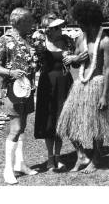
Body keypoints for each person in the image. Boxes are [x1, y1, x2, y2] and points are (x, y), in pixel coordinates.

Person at [56, 1, 109, 174]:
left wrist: (104, 95)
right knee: (67, 124)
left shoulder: (105, 41)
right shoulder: (80, 38)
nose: (79, 25)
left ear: (90, 21)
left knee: (97, 125)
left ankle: (95, 159)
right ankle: (81, 155)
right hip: (80, 85)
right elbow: (75, 64)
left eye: (81, 22)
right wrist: (75, 60)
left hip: (97, 84)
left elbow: (108, 69)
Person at [0, 8, 38, 184]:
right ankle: (8, 169)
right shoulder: (4, 40)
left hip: (27, 90)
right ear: (20, 22)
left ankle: (20, 164)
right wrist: (10, 72)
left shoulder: (26, 40)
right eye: (29, 21)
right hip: (12, 91)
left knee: (22, 128)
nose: (32, 24)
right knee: (15, 129)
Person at [33, 13, 75, 171]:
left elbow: (75, 65)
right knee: (49, 121)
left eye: (60, 26)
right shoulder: (40, 43)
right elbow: (35, 65)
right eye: (56, 27)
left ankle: (58, 157)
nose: (60, 29)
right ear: (49, 29)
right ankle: (50, 158)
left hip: (64, 82)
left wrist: (73, 58)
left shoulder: (67, 41)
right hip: (47, 84)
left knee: (60, 119)